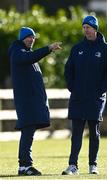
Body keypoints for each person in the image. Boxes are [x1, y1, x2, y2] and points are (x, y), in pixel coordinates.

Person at [62, 15, 107, 175]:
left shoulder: (106, 49)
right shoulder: (77, 48)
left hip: (96, 98)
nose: (86, 30)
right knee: (76, 132)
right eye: (84, 27)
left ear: (95, 29)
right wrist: (72, 87)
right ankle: (73, 165)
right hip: (78, 97)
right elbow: (68, 70)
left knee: (94, 132)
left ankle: (93, 165)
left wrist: (101, 90)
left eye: (89, 27)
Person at [8, 27, 62, 176]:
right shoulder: (17, 52)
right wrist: (49, 48)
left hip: (31, 102)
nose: (31, 40)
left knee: (29, 132)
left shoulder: (26, 53)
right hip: (26, 102)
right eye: (28, 37)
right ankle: (25, 166)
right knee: (27, 132)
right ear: (22, 39)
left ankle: (25, 165)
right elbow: (29, 58)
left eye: (33, 38)